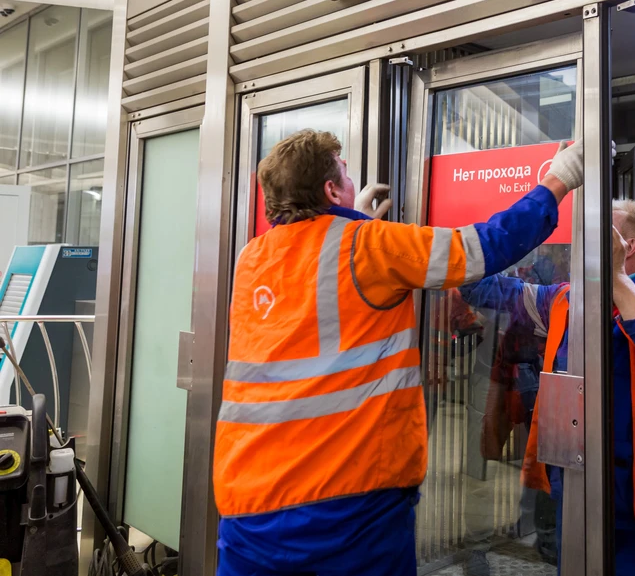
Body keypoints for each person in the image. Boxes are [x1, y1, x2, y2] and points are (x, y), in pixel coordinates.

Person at [212, 130, 585, 576]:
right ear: (331, 190)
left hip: (246, 501)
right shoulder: (368, 245)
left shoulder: (252, 259)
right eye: (345, 175)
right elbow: (483, 246)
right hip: (346, 503)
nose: (351, 180)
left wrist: (351, 220)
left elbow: (318, 305)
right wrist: (558, 182)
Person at [462, 199, 635, 576]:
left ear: (627, 246)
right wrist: (516, 229)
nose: (582, 239)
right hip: (581, 489)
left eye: (598, 230)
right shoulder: (565, 300)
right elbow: (479, 289)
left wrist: (614, 277)